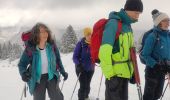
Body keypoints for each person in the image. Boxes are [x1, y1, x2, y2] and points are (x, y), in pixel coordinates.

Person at [98, 0, 143, 100]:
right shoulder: (113, 24)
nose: (137, 16)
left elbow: (130, 52)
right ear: (128, 10)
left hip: (124, 74)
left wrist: (133, 72)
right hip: (114, 75)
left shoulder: (128, 26)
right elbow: (104, 52)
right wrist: (110, 75)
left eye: (139, 14)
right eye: (136, 13)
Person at [18, 23, 68, 100]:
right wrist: (23, 73)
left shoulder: (51, 46)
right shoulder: (31, 49)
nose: (45, 33)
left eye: (46, 31)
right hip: (37, 78)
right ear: (36, 34)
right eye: (42, 32)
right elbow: (22, 64)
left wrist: (63, 72)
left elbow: (58, 60)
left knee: (57, 98)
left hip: (51, 76)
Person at [141, 9, 170, 100]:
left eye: (168, 20)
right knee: (149, 97)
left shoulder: (168, 36)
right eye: (165, 20)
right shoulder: (153, 36)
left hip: (162, 71)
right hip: (152, 71)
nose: (168, 23)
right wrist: (156, 65)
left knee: (157, 95)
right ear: (159, 22)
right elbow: (145, 55)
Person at [73, 27, 95, 100]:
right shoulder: (80, 44)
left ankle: (86, 97)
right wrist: (78, 65)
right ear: (85, 35)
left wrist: (97, 59)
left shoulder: (94, 44)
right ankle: (81, 98)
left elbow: (96, 55)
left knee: (88, 85)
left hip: (91, 69)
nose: (90, 36)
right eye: (88, 34)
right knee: (83, 85)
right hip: (81, 69)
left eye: (90, 34)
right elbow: (75, 57)